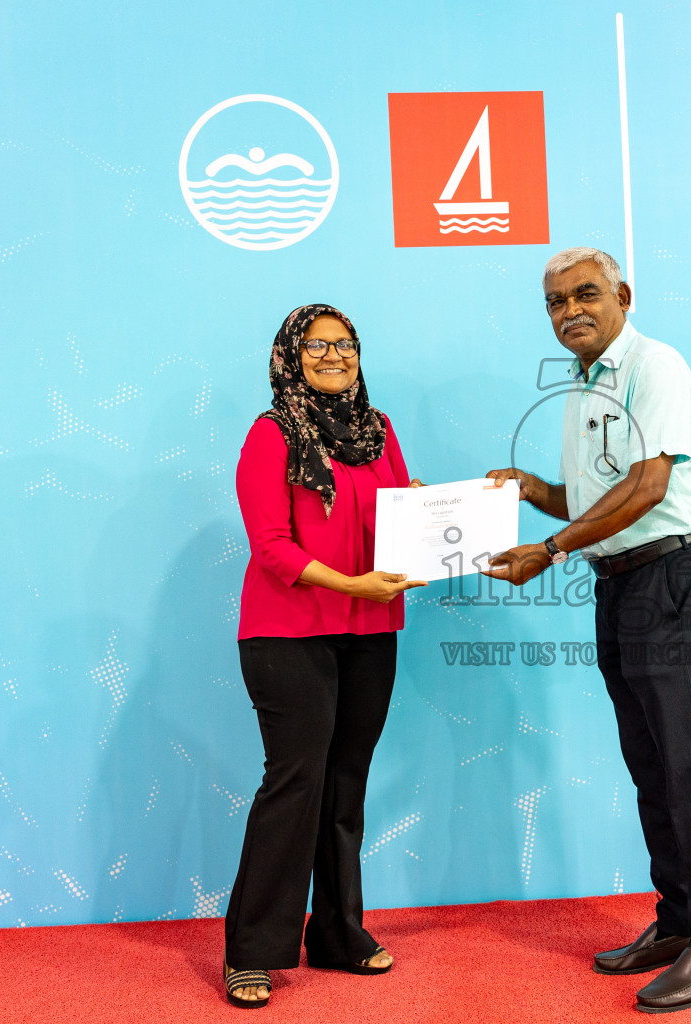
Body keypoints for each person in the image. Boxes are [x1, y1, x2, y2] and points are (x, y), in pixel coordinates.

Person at [485, 248, 691, 1014]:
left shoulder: (653, 366)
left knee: (689, 763)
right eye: (556, 301)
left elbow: (649, 485)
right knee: (652, 762)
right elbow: (594, 495)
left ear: (623, 296)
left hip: (670, 576)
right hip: (619, 582)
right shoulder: (583, 383)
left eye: (587, 294)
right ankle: (677, 921)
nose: (571, 309)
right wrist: (535, 492)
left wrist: (551, 549)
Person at [223, 303, 427, 1009]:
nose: (334, 355)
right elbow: (273, 549)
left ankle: (339, 932)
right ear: (291, 353)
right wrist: (352, 583)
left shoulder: (379, 431)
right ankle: (251, 950)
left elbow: (402, 509)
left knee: (346, 783)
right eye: (318, 344)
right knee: (296, 784)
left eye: (346, 344)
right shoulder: (271, 433)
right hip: (288, 634)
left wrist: (455, 511)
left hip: (369, 631)